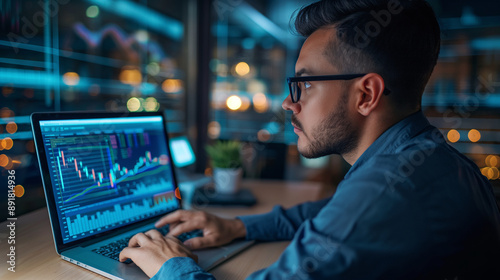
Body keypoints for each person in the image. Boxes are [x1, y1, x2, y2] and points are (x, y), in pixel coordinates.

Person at [119, 0, 500, 279]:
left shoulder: (387, 189)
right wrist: (239, 227)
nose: (288, 103)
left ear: (366, 95)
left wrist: (171, 265)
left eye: (304, 84)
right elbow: (330, 214)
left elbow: (354, 215)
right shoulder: (423, 158)